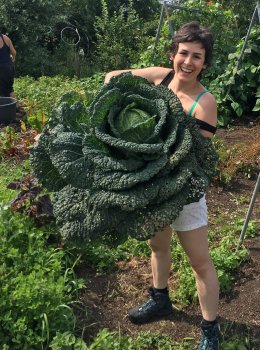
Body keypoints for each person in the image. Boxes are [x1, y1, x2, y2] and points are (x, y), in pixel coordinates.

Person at [104, 22, 220, 350]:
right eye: (183, 52)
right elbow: (111, 76)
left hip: (182, 189)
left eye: (197, 56)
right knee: (158, 246)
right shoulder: (160, 77)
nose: (188, 61)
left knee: (199, 261)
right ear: (173, 54)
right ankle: (160, 299)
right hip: (148, 183)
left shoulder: (205, 103)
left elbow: (191, 155)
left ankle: (211, 328)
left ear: (205, 63)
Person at [0, 31, 16, 98]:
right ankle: (15, 106)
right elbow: (14, 52)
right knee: (10, 89)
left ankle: (6, 107)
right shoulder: (5, 38)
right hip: (9, 66)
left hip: (1, 68)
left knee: (2, 91)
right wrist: (13, 59)